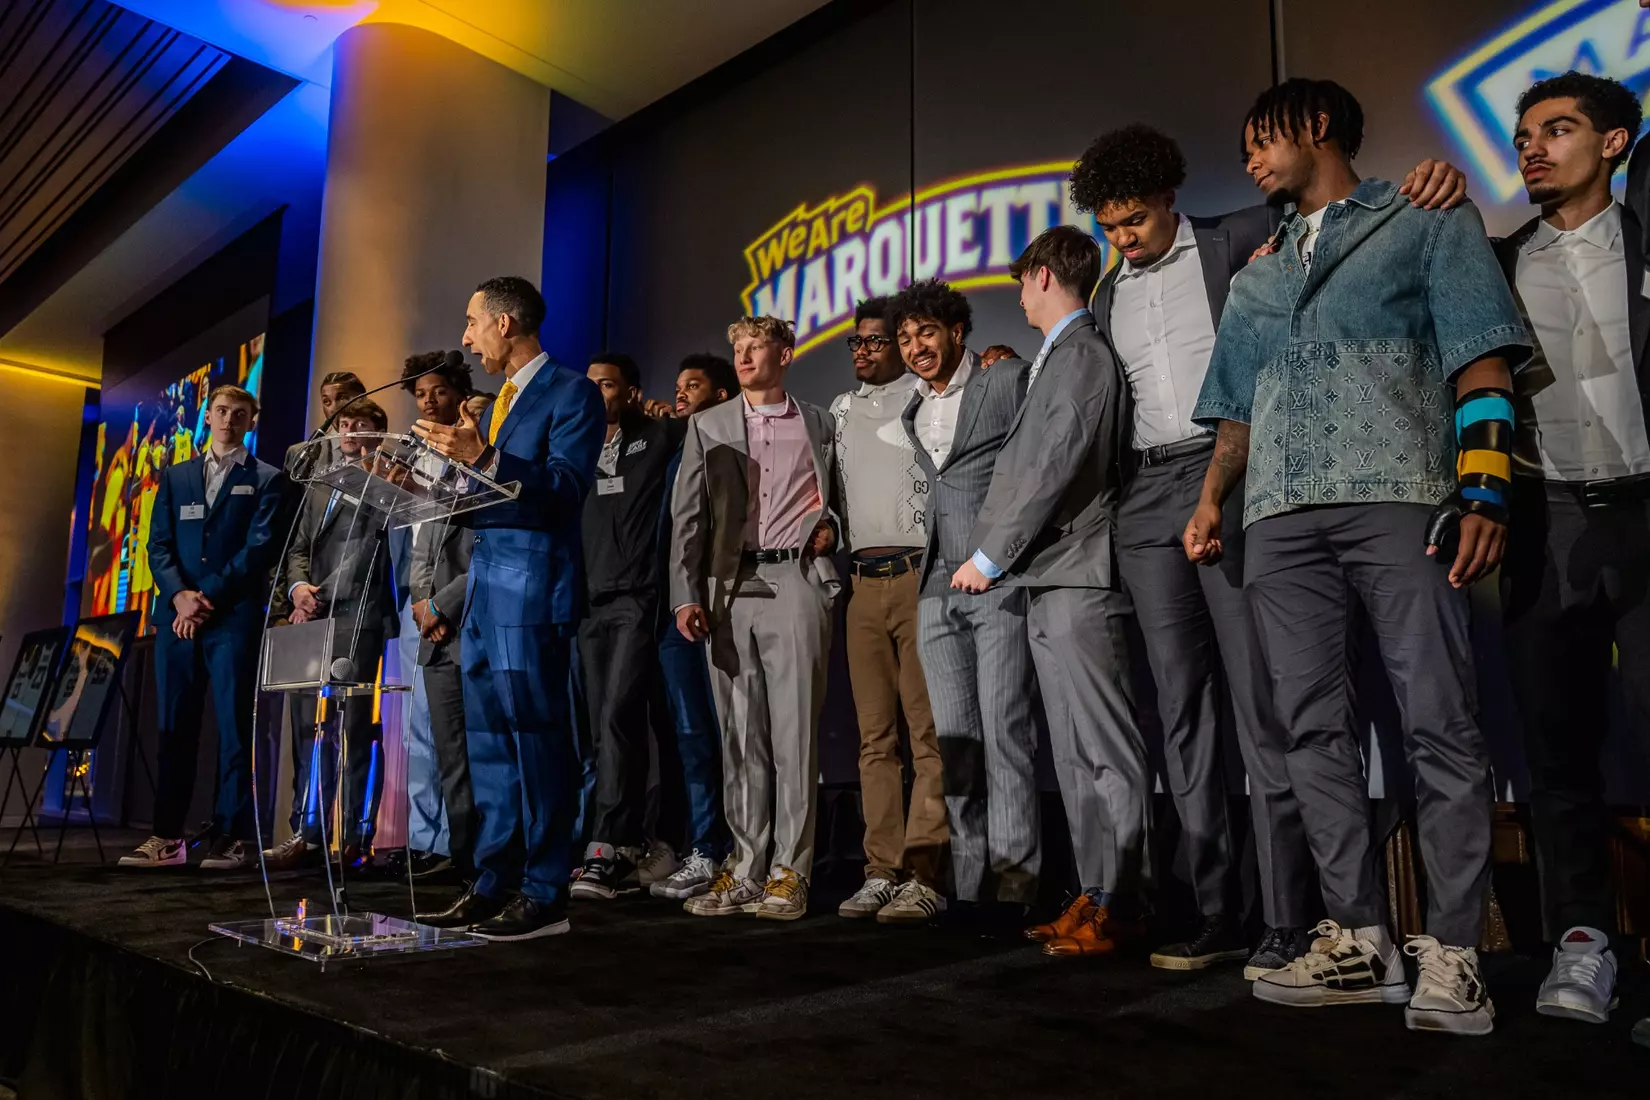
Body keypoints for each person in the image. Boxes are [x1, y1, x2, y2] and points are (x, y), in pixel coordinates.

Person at [1187, 78, 1530, 1034]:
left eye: (1263, 139)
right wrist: (1212, 500)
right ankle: (1360, 940)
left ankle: (1455, 952)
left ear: (1318, 127)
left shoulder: (1423, 217)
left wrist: (1486, 490)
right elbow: (1237, 411)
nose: (1250, 160)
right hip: (1279, 516)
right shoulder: (1256, 275)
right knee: (1308, 730)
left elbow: (1482, 358)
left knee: (1440, 720)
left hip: (1401, 495)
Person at [1490, 72, 1648, 1027]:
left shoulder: (1645, 241)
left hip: (1648, 508)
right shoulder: (1496, 263)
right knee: (1557, 748)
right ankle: (1582, 943)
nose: (1534, 149)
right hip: (1546, 520)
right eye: (1524, 136)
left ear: (1616, 143)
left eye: (1557, 129)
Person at [953, 227, 1147, 958]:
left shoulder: (1082, 354)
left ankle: (1123, 902)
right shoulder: (1058, 356)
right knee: (1072, 754)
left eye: (1021, 282)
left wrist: (988, 556)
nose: (1018, 298)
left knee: (1105, 748)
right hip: (1048, 573)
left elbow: (1054, 464)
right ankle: (1094, 894)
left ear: (1041, 275)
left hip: (1079, 572)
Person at [411, 276, 605, 941]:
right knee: (490, 745)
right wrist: (417, 481)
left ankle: (545, 893)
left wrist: (485, 456)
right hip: (484, 594)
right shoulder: (494, 405)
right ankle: (493, 881)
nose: (466, 339)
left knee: (537, 742)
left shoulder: (572, 392)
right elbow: (481, 498)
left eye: (472, 323)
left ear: (505, 322)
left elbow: (564, 490)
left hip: (534, 590)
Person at [669, 315, 839, 921]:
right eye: (737, 347)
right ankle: (745, 867)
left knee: (795, 737)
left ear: (784, 355)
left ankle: (791, 871)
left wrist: (831, 528)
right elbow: (687, 517)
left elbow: (839, 498)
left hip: (795, 579)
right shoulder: (709, 424)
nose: (742, 357)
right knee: (740, 736)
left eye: (755, 347)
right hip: (728, 587)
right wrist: (685, 595)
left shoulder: (820, 421)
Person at [892, 279, 1039, 927]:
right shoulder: (912, 408)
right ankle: (972, 886)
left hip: (998, 577)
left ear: (956, 332)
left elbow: (1040, 461)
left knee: (1006, 732)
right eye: (905, 337)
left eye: (926, 332)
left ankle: (1016, 885)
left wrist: (1000, 554)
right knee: (957, 744)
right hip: (935, 588)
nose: (914, 346)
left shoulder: (1005, 379)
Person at [120, 385, 285, 870]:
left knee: (234, 730)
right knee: (174, 728)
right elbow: (158, 545)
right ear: (207, 416)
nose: (229, 419)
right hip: (176, 619)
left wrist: (203, 598)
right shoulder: (176, 476)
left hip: (231, 618)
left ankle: (230, 837)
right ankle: (167, 839)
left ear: (252, 421)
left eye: (240, 413)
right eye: (221, 411)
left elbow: (259, 549)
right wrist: (179, 596)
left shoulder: (268, 479)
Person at [827, 297, 947, 924]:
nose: (865, 351)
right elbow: (825, 490)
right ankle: (881, 870)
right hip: (862, 585)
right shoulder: (841, 411)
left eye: (878, 340)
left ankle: (925, 876)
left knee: (926, 734)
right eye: (858, 341)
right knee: (875, 740)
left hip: (918, 578)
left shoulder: (925, 398)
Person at [571, 352, 690, 898]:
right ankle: (619, 843)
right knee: (601, 727)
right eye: (591, 384)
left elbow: (697, 437)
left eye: (607, 385)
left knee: (619, 715)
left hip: (637, 599)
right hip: (586, 603)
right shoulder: (575, 446)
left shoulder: (656, 437)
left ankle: (605, 847)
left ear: (630, 391)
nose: (597, 393)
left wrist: (664, 415)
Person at [263, 400, 397, 869]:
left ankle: (354, 837)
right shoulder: (321, 482)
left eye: (361, 424)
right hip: (311, 617)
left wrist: (320, 593)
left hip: (356, 615)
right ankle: (307, 832)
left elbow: (368, 552)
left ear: (379, 433)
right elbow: (298, 545)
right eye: (344, 424)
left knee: (352, 728)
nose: (350, 430)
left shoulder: (386, 483)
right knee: (308, 728)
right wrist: (299, 589)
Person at [648, 354, 738, 901]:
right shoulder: (670, 447)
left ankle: (740, 850)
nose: (680, 393)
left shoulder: (732, 445)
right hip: (672, 613)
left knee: (733, 734)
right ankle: (703, 847)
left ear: (722, 396)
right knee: (690, 736)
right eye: (678, 385)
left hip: (723, 605)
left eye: (694, 386)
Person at [398, 351, 475, 877]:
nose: (428, 402)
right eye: (421, 394)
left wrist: (442, 602)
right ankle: (447, 847)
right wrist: (422, 601)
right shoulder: (413, 456)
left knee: (474, 744)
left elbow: (477, 543)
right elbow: (419, 544)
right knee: (432, 741)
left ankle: (477, 852)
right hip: (424, 615)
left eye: (438, 392)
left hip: (468, 611)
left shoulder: (475, 449)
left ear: (459, 395)